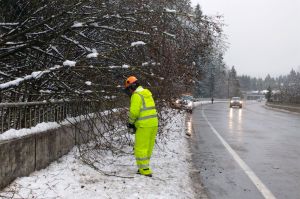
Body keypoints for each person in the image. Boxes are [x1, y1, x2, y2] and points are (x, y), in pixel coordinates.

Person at [124, 76, 158, 177]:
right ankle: (144, 166)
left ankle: (144, 170)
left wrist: (130, 123)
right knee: (148, 147)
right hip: (153, 124)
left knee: (140, 148)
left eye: (128, 89)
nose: (129, 92)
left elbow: (134, 112)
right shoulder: (147, 93)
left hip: (144, 125)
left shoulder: (136, 95)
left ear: (132, 87)